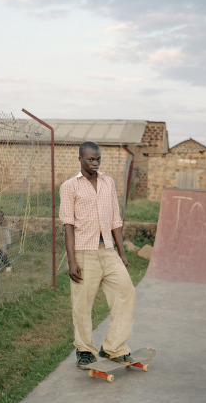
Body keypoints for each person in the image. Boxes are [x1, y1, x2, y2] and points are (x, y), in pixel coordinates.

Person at [59, 141, 135, 369]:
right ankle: (84, 350)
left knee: (126, 291)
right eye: (90, 159)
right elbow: (68, 224)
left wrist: (121, 253)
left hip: (108, 250)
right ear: (80, 159)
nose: (95, 163)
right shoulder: (70, 186)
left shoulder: (107, 182)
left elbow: (115, 220)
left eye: (98, 159)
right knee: (83, 303)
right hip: (84, 252)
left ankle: (113, 347)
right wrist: (72, 260)